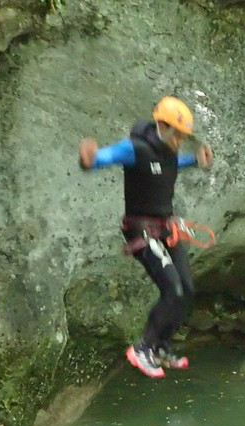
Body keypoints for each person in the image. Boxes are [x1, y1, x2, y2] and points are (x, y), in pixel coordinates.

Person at [79, 96, 214, 378]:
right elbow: (109, 156)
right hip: (141, 231)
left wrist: (197, 162)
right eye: (177, 134)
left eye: (183, 137)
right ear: (162, 126)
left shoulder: (170, 152)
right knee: (172, 290)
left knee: (187, 289)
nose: (180, 141)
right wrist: (91, 160)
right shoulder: (136, 148)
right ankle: (142, 348)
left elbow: (173, 166)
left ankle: (161, 347)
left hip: (166, 228)